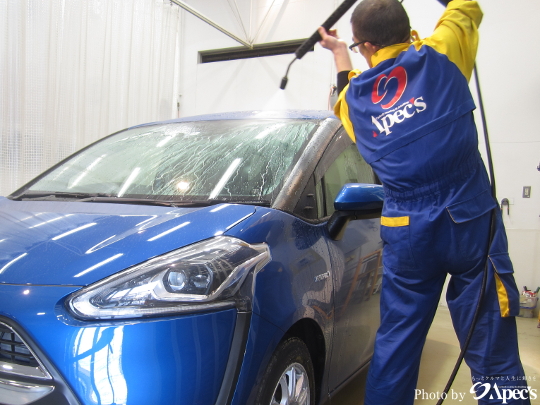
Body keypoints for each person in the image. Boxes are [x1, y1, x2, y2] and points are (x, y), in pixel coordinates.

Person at [319, 0, 531, 404]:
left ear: (365, 45)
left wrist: (338, 53)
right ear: (408, 27)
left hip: (407, 230)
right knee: (490, 339)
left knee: (396, 345)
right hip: (470, 218)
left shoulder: (356, 103)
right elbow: (465, 7)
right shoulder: (442, 55)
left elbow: (344, 92)